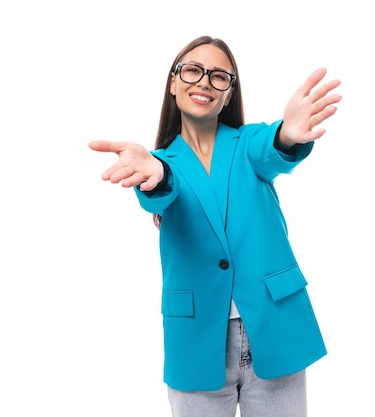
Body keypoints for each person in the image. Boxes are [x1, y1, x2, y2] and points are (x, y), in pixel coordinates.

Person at [89, 35, 342, 417]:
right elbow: (159, 189)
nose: (204, 81)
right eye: (192, 70)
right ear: (173, 83)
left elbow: (273, 147)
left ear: (228, 93)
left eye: (219, 76)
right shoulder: (159, 162)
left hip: (274, 326)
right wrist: (156, 173)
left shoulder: (248, 144)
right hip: (197, 339)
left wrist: (287, 134)